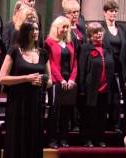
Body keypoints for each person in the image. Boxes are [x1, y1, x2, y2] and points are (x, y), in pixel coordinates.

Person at [0, 20, 51, 158]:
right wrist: (26, 78)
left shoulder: (43, 53)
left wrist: (42, 80)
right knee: (16, 141)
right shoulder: (14, 50)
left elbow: (49, 81)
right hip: (17, 104)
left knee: (33, 142)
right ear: (24, 31)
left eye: (37, 29)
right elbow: (2, 78)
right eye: (32, 29)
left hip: (35, 104)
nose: (35, 32)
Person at [79, 22, 115, 147]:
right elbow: (82, 69)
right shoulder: (85, 48)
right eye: (95, 32)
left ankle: (100, 139)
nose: (99, 34)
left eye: (100, 31)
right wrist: (82, 88)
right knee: (90, 115)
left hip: (106, 87)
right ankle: (87, 139)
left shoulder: (107, 47)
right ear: (90, 35)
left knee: (102, 115)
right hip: (91, 89)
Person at [45, 16, 77, 148]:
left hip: (69, 82)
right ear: (56, 28)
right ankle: (52, 139)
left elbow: (74, 63)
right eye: (63, 27)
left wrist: (72, 79)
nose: (65, 29)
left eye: (67, 27)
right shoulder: (49, 42)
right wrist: (61, 79)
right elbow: (50, 63)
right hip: (56, 81)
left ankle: (64, 138)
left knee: (66, 111)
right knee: (54, 112)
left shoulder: (70, 43)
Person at [101, 0, 126, 133]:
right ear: (105, 13)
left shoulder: (121, 28)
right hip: (105, 67)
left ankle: (116, 124)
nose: (114, 13)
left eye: (115, 11)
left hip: (120, 68)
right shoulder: (100, 27)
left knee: (118, 97)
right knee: (107, 96)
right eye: (111, 11)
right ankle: (104, 124)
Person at [62, 0, 86, 132]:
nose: (75, 15)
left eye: (77, 12)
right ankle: (70, 123)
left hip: (82, 64)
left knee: (79, 95)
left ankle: (78, 122)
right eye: (72, 12)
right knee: (69, 96)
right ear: (66, 14)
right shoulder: (64, 28)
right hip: (69, 65)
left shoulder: (80, 28)